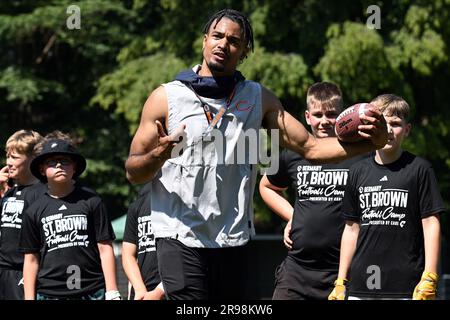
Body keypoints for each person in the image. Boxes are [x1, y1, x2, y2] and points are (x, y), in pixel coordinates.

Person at [125, 8, 388, 300]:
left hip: (233, 239)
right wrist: (158, 155)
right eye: (217, 36)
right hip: (179, 236)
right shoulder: (166, 98)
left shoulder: (257, 98)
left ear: (244, 52)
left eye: (234, 41)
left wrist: (371, 143)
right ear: (204, 41)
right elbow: (133, 171)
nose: (223, 44)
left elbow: (311, 149)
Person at [328, 94, 445, 300]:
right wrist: (341, 280)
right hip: (360, 283)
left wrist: (430, 276)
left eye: (396, 123)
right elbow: (351, 229)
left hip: (406, 284)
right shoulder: (357, 172)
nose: (389, 129)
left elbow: (430, 223)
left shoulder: (420, 169)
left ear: (407, 130)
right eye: (382, 122)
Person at [260, 82, 368, 300]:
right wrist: (293, 216)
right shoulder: (291, 153)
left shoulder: (360, 155)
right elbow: (265, 186)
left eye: (332, 114)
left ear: (344, 115)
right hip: (297, 271)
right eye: (318, 115)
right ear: (307, 117)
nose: (324, 121)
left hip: (344, 275)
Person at [19, 138, 121, 300]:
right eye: (52, 162)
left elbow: (105, 248)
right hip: (49, 294)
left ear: (74, 167)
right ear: (42, 169)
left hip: (92, 291)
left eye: (65, 161)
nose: (59, 165)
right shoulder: (33, 211)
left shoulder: (92, 201)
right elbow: (31, 260)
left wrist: (112, 291)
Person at [0, 130, 45, 300]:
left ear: (33, 159)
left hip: (23, 274)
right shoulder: (9, 193)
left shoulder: (42, 193)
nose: (9, 163)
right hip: (3, 271)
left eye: (15, 158)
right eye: (8, 157)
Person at [122, 182, 164, 300]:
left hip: (173, 290)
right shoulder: (138, 202)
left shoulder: (180, 197)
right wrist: (139, 289)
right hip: (142, 292)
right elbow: (127, 254)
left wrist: (160, 291)